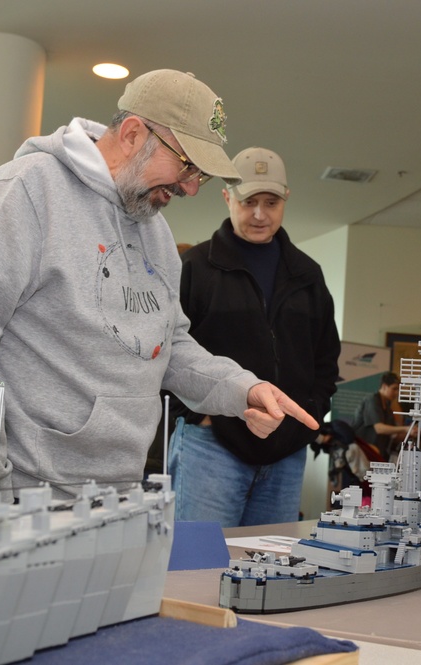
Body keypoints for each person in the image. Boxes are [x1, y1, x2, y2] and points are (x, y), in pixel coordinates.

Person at [0, 69, 318, 501]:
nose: (189, 187)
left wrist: (244, 388)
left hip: (116, 497)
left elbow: (171, 348)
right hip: (22, 497)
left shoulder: (156, 231)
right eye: (187, 165)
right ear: (131, 134)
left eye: (199, 175)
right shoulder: (27, 191)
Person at [168, 147, 341, 527]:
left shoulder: (308, 275)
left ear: (285, 200)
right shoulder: (195, 267)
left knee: (272, 569)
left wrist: (307, 419)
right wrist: (198, 417)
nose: (260, 214)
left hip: (286, 452)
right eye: (249, 202)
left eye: (271, 202)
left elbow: (326, 360)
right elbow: (166, 349)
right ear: (227, 196)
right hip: (210, 448)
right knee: (199, 570)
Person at [350, 372, 421, 461]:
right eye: (394, 389)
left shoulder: (387, 406)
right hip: (363, 454)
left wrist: (412, 432)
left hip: (377, 454)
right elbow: (379, 428)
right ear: (384, 386)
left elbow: (393, 434)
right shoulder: (372, 400)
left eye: (398, 390)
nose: (396, 393)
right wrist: (406, 429)